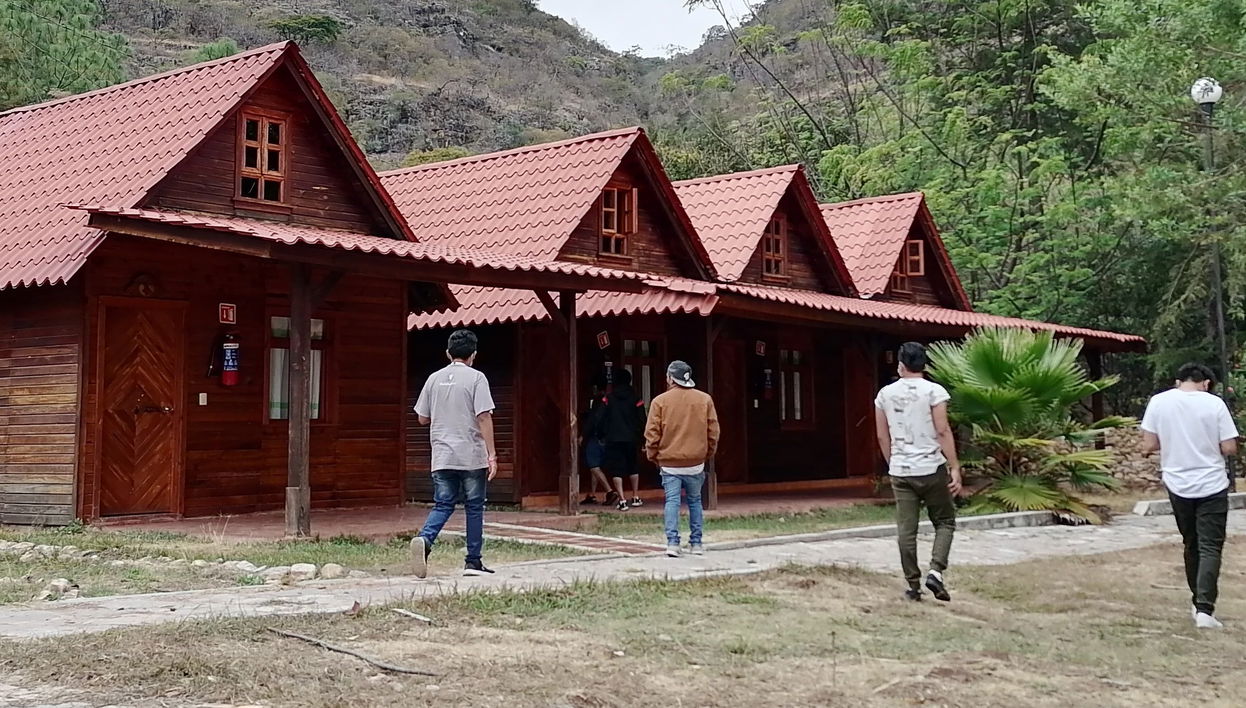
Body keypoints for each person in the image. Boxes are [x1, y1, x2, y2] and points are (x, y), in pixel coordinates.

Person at [1141, 363, 1239, 629]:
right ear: (1206, 383)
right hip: (1211, 483)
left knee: (1191, 543)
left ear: (1178, 381)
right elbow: (1229, 447)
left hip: (1177, 482)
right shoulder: (1215, 404)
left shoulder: (1158, 402)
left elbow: (1148, 445)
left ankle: (1197, 602)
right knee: (1210, 546)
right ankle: (1205, 609)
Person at [874, 342, 962, 602]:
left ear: (901, 364)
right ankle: (936, 570)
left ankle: (913, 585)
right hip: (931, 467)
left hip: (901, 469)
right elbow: (943, 430)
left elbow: (882, 434)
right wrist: (954, 466)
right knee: (945, 521)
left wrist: (893, 463)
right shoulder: (934, 391)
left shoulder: (884, 394)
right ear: (924, 364)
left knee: (906, 530)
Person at [410, 329, 498, 578]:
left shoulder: (433, 379)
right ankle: (473, 562)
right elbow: (483, 416)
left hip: (442, 455)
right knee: (474, 507)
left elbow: (422, 418)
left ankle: (425, 539)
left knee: (443, 503)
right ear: (474, 354)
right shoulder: (477, 378)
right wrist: (492, 455)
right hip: (470, 454)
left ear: (448, 353)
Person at [645, 360, 719, 558]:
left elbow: (652, 434)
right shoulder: (705, 400)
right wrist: (706, 453)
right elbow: (713, 432)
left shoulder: (659, 402)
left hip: (669, 462)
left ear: (670, 378)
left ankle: (672, 543)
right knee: (695, 502)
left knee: (672, 501)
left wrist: (653, 456)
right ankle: (696, 543)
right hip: (696, 462)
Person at [599, 367, 646, 511]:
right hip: (632, 438)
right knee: (633, 466)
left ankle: (622, 500)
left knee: (617, 470)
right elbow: (642, 419)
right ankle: (636, 496)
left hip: (613, 438)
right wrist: (643, 438)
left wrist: (602, 434)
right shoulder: (636, 398)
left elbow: (601, 418)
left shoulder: (609, 398)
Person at [581, 373, 616, 506]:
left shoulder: (598, 400)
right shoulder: (610, 399)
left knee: (593, 465)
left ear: (595, 387)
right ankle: (593, 493)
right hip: (608, 437)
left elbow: (593, 419)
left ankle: (609, 491)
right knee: (595, 465)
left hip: (596, 436)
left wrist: (583, 434)